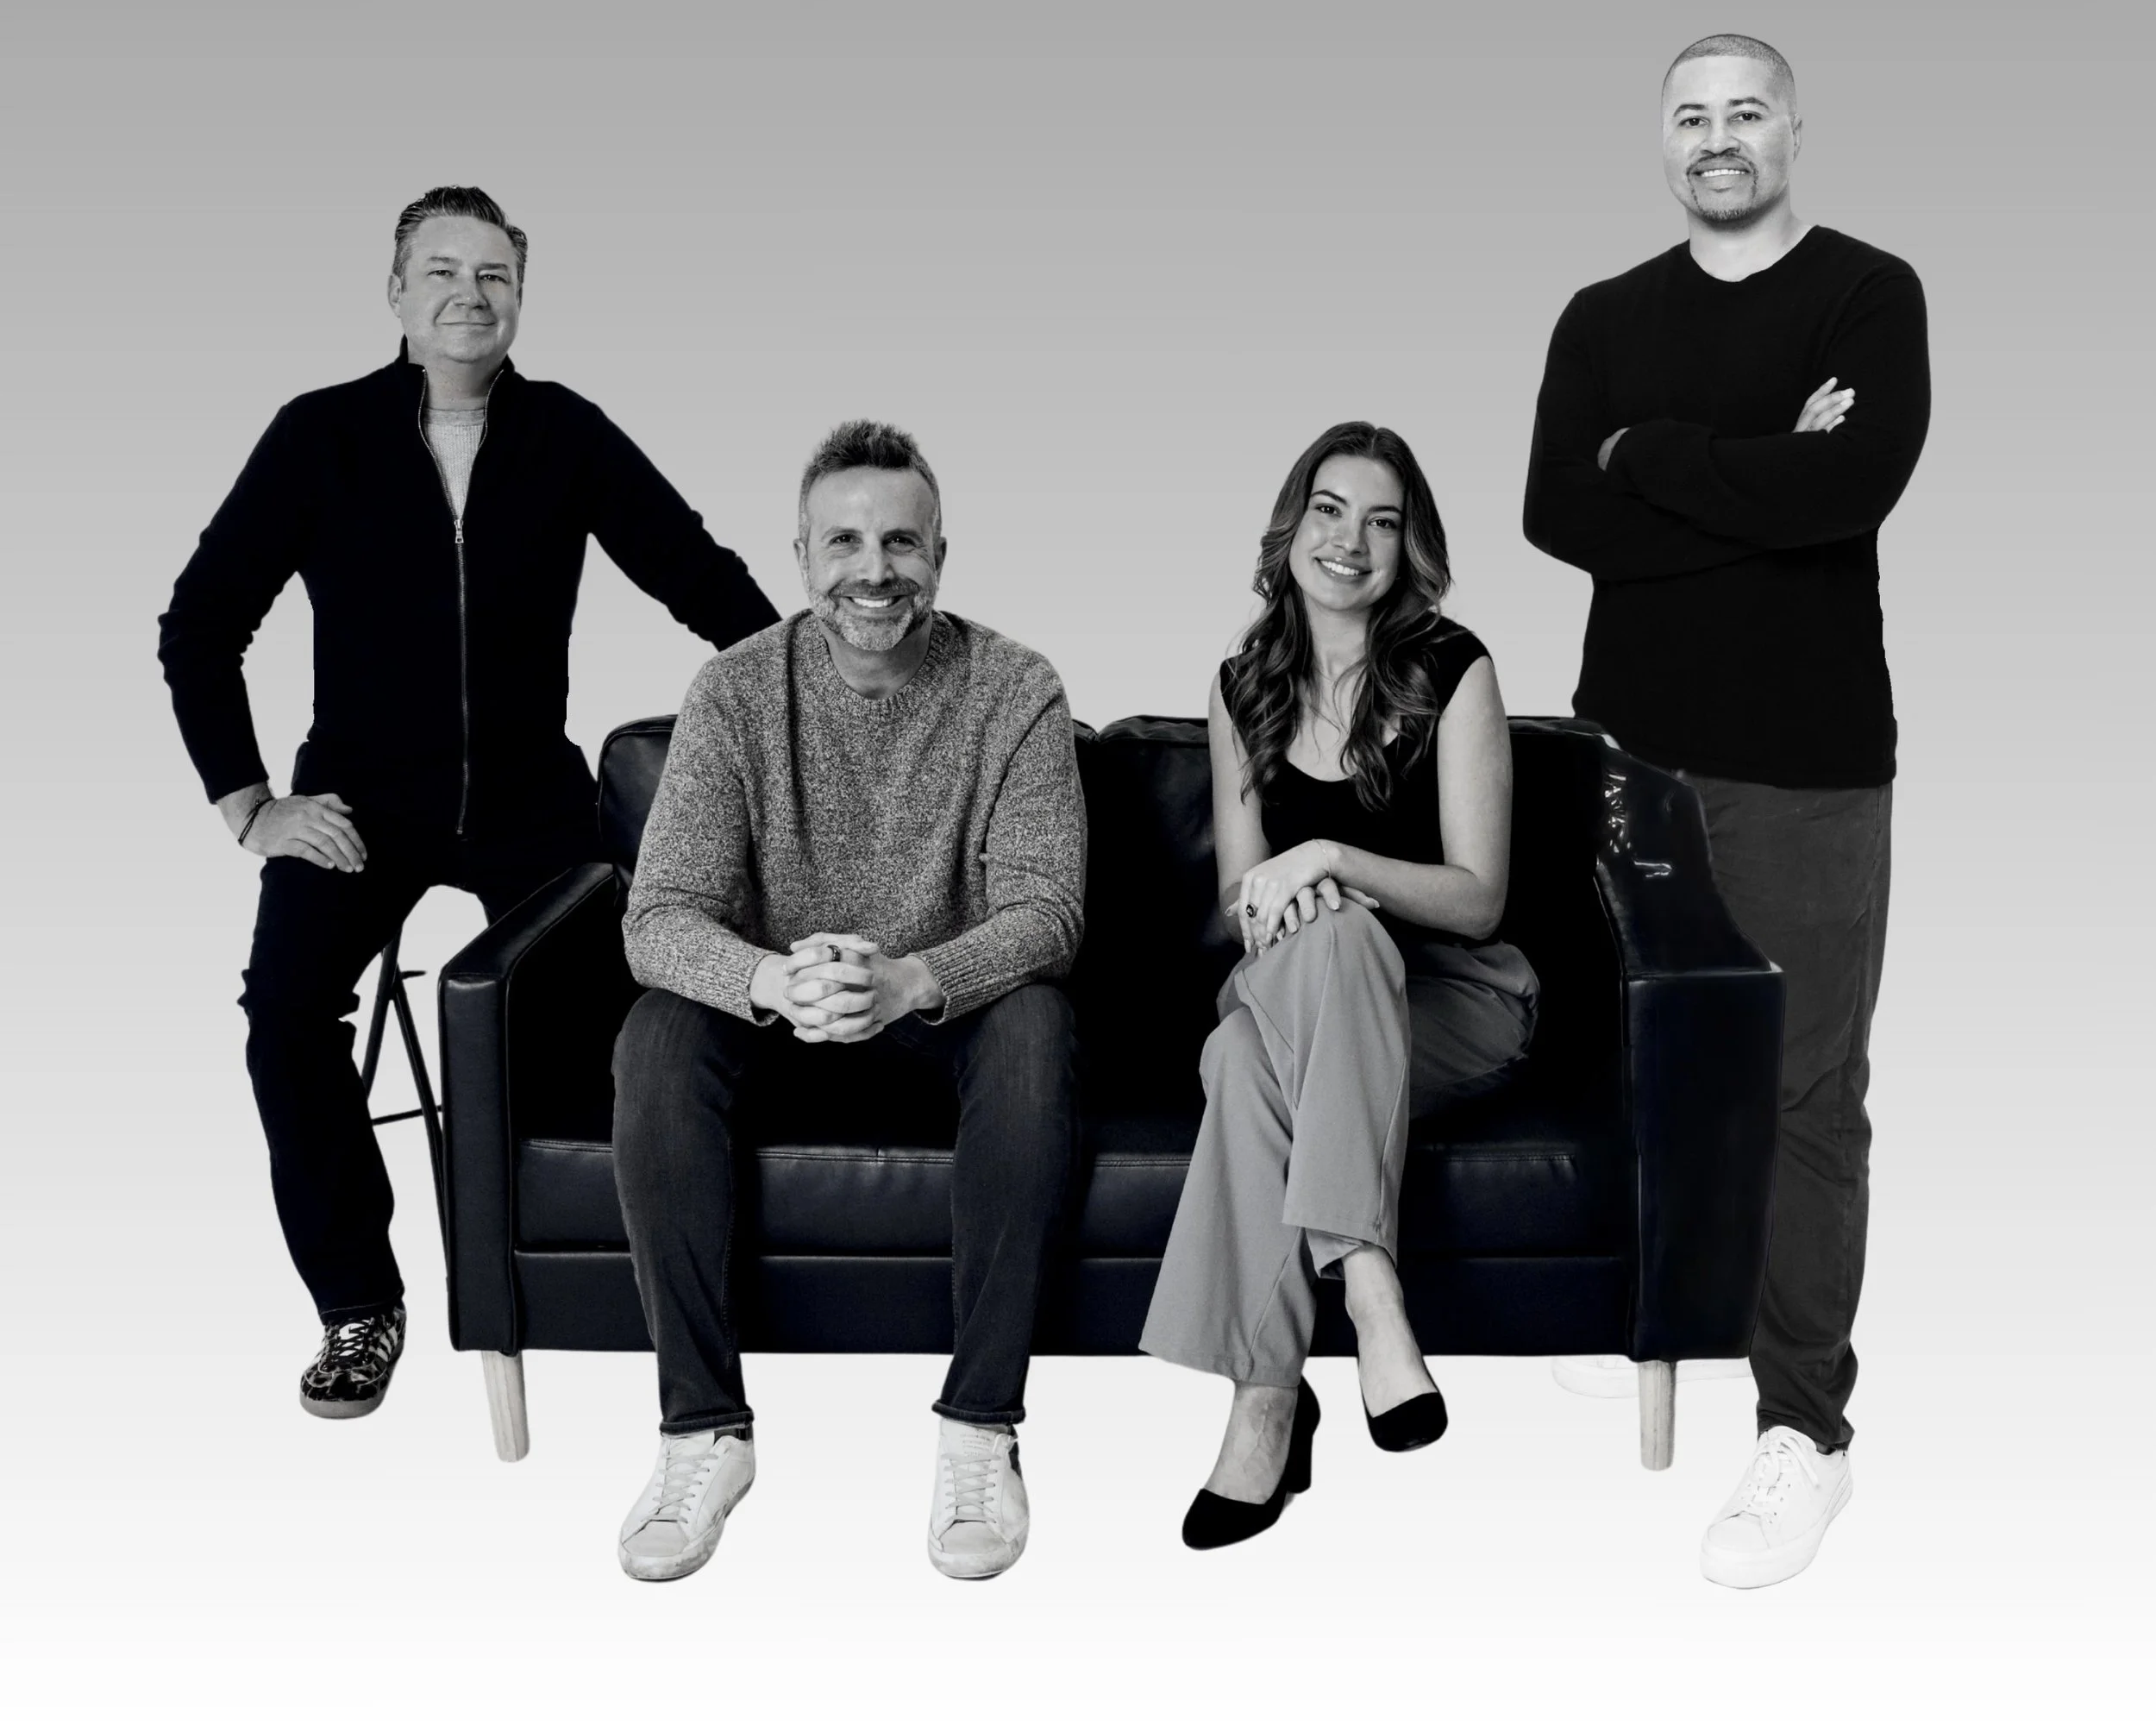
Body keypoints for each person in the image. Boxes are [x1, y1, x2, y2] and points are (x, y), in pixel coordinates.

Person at [157, 185, 779, 1424]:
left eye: (494, 274)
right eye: (441, 271)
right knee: (284, 1013)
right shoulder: (319, 434)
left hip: (531, 802)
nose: (468, 294)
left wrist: (810, 696)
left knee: (621, 1009)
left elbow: (698, 576)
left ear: (521, 298)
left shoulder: (566, 433)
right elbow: (201, 625)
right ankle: (359, 1302)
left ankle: (603, 1276)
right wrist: (252, 806)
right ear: (396, 292)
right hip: (357, 805)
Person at [1524, 35, 1929, 1587]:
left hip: (1809, 761)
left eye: (1745, 112)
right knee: (1630, 1064)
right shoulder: (1602, 315)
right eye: (1691, 116)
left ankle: (1803, 1431)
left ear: (1794, 131)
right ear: (1662, 141)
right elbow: (1557, 512)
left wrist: (1650, 459)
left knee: (1804, 1091)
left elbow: (1853, 489)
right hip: (1628, 757)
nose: (1717, 138)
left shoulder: (1867, 294)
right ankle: (1645, 1327)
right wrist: (1764, 475)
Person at [609, 418, 1085, 1584]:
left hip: (936, 1017)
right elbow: (658, 916)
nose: (875, 570)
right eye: (846, 543)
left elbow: (1047, 913)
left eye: (902, 543)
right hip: (784, 1014)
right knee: (659, 1031)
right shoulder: (734, 691)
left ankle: (981, 1430)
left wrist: (913, 980)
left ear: (940, 557)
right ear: (802, 557)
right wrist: (773, 981)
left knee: (1037, 1024)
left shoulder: (1017, 687)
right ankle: (703, 1433)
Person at [1140, 421, 1538, 1550]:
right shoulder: (1242, 686)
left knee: (1243, 1057)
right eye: (1329, 509)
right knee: (1330, 944)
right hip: (1294, 986)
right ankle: (1368, 1288)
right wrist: (1303, 897)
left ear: (1410, 549)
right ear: (1292, 525)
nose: (1350, 541)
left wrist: (1330, 859)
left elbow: (1479, 900)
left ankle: (1266, 1401)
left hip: (1454, 1002)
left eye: (1382, 522)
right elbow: (1241, 898)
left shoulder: (1454, 669)